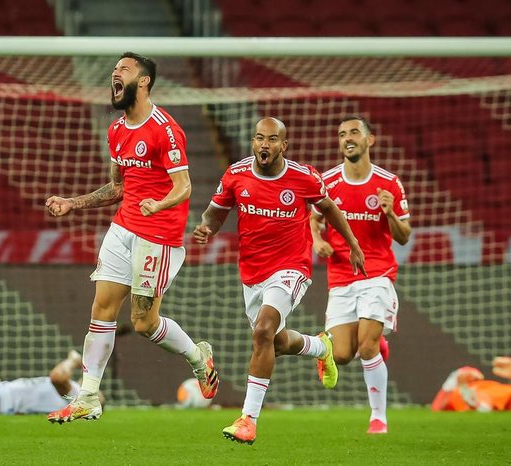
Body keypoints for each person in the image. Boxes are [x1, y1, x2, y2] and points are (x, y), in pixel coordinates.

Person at [44, 51, 218, 423]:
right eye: (113, 70)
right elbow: (117, 187)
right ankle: (88, 395)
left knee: (143, 323)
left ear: (144, 81)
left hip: (159, 236)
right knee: (101, 309)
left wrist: (159, 205)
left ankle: (197, 355)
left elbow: (184, 187)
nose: (114, 74)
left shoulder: (165, 129)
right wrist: (73, 203)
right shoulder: (117, 130)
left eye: (123, 69)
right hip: (123, 229)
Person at [193, 117, 365, 445]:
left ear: (283, 146)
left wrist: (353, 243)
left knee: (262, 332)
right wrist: (207, 229)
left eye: (272, 140)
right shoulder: (236, 175)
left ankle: (248, 419)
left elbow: (330, 209)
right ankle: (321, 346)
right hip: (252, 273)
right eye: (259, 138)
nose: (264, 145)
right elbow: (215, 213)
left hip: (291, 267)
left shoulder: (303, 177)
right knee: (276, 342)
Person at [310, 115, 411, 435]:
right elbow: (313, 220)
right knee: (341, 355)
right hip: (340, 277)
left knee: (366, 348)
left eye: (354, 132)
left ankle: (378, 418)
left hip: (377, 275)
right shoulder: (327, 182)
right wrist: (318, 241)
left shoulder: (388, 183)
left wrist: (390, 212)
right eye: (342, 134)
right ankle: (359, 344)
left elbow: (404, 236)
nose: (347, 138)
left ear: (370, 140)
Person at [431, 365, 511, 412]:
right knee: (477, 394)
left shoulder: (487, 384)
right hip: (474, 395)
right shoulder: (456, 393)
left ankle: (480, 405)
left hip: (497, 393)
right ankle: (480, 405)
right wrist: (452, 381)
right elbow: (436, 407)